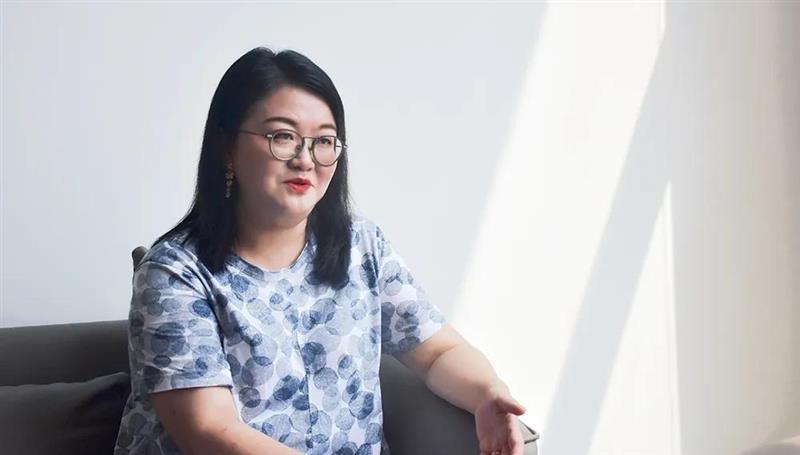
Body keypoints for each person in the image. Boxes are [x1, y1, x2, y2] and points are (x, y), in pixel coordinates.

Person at [114, 47, 526, 455]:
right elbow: (209, 431)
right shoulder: (173, 273)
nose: (305, 159)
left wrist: (488, 393)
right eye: (283, 136)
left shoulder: (361, 246)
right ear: (227, 147)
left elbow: (438, 352)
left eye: (324, 141)